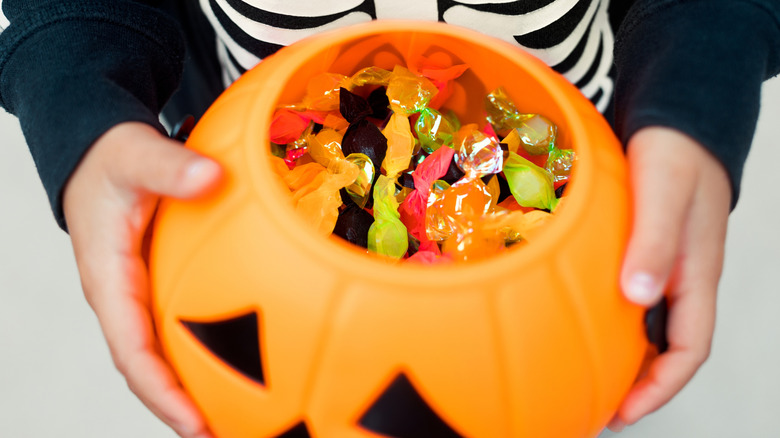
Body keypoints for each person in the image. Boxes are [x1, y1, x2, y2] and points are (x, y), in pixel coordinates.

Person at [1, 1, 778, 436]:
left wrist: (698, 99)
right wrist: (77, 96)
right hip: (251, 190)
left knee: (522, 387)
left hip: (578, 200)